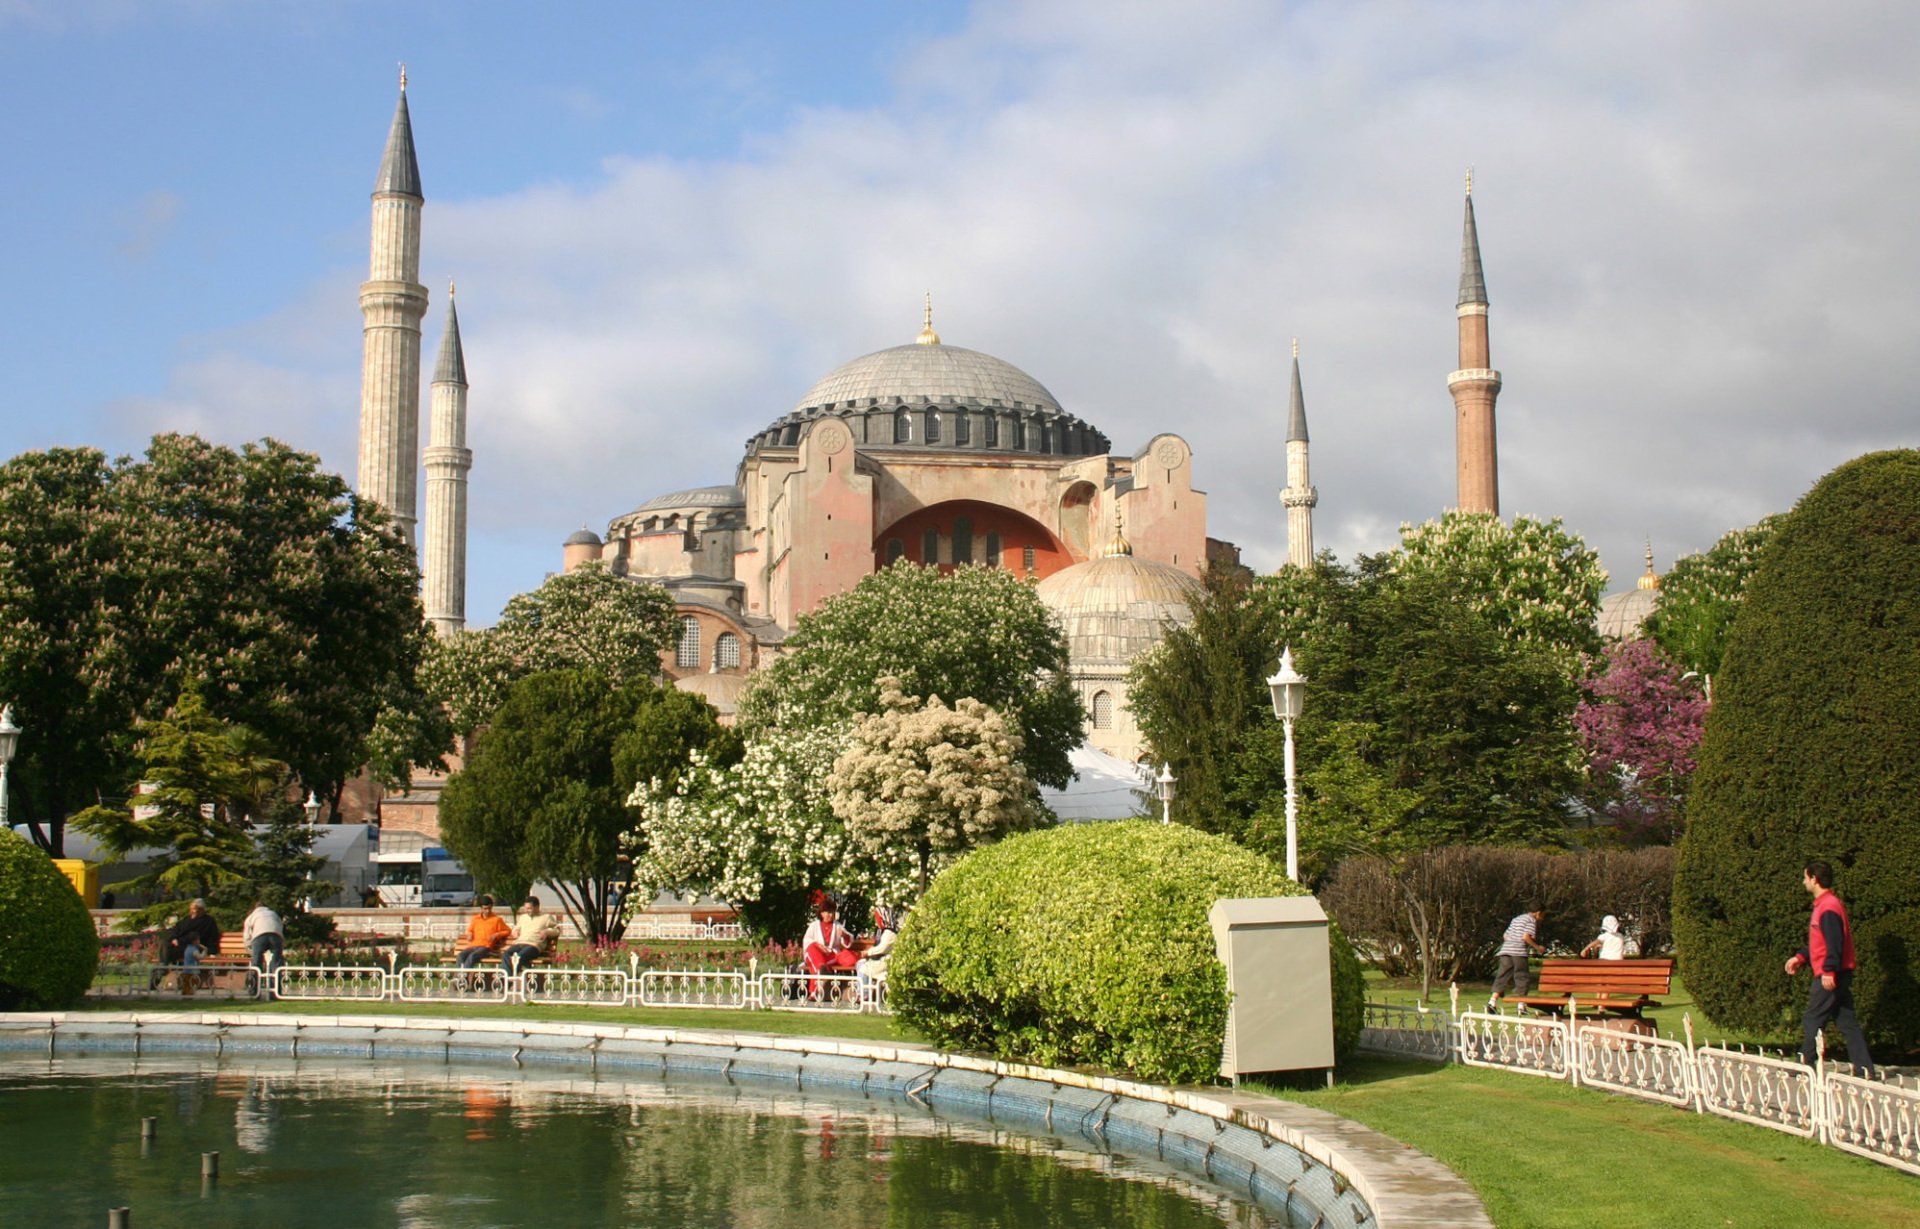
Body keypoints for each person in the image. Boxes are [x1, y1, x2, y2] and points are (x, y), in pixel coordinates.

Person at [1785, 860, 1874, 1075]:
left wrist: (1829, 970)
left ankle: (1804, 1063)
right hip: (1838, 972)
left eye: (1805, 877)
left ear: (1814, 879)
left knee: (1813, 1017)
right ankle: (1864, 1068)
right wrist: (1800, 957)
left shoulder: (1828, 907)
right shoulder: (1826, 905)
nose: (1803, 882)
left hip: (1831, 973)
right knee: (1847, 1021)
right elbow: (1820, 941)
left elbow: (1835, 943)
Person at [1489, 905, 1546, 1011]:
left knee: (1502, 976)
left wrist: (1512, 942)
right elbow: (1525, 937)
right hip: (1518, 951)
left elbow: (1505, 935)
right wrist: (1538, 948)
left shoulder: (1516, 919)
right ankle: (1521, 1005)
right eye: (1543, 915)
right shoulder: (1531, 920)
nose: (1542, 918)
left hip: (1506, 950)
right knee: (1522, 977)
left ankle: (1492, 1002)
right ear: (1538, 913)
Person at [802, 900, 860, 995]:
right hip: (815, 955)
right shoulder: (814, 926)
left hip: (830, 956)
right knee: (813, 951)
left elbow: (849, 938)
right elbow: (807, 941)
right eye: (827, 912)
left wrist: (844, 935)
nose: (830, 915)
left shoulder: (837, 926)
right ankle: (821, 973)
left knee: (819, 965)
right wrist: (818, 945)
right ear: (821, 913)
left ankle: (814, 991)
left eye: (832, 912)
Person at [498, 896, 559, 973]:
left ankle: (508, 978)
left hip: (534, 945)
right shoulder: (523, 917)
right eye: (526, 908)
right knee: (506, 954)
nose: (527, 910)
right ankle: (509, 976)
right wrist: (515, 931)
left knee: (519, 957)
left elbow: (557, 930)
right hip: (520, 943)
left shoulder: (546, 917)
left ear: (537, 907)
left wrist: (547, 932)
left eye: (529, 908)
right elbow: (516, 927)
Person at [456, 895, 513, 969]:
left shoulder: (497, 919)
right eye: (485, 909)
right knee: (461, 955)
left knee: (472, 956)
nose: (487, 911)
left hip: (486, 948)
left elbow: (508, 931)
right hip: (473, 946)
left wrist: (497, 934)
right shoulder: (476, 919)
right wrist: (470, 933)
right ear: (481, 908)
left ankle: (464, 974)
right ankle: (460, 974)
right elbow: (470, 930)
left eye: (489, 908)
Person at [856, 905, 900, 1000]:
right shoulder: (882, 932)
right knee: (860, 963)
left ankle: (864, 995)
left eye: (877, 918)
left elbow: (882, 948)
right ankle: (863, 992)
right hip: (880, 959)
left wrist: (868, 953)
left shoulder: (890, 933)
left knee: (863, 967)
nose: (876, 920)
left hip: (887, 961)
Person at [164, 899, 221, 969]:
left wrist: (212, 952)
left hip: (196, 947)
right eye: (191, 909)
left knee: (168, 949)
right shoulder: (187, 919)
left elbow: (212, 937)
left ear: (201, 909)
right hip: (180, 945)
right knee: (165, 944)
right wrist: (174, 938)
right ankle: (163, 968)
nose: (192, 911)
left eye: (194, 909)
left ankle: (163, 968)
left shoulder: (208, 921)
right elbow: (175, 929)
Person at [242, 899, 285, 970]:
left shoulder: (252, 915)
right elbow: (280, 926)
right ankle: (275, 975)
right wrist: (281, 942)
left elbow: (247, 934)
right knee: (276, 958)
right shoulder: (273, 914)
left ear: (255, 908)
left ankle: (256, 975)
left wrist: (249, 947)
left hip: (259, 936)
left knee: (257, 959)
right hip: (276, 935)